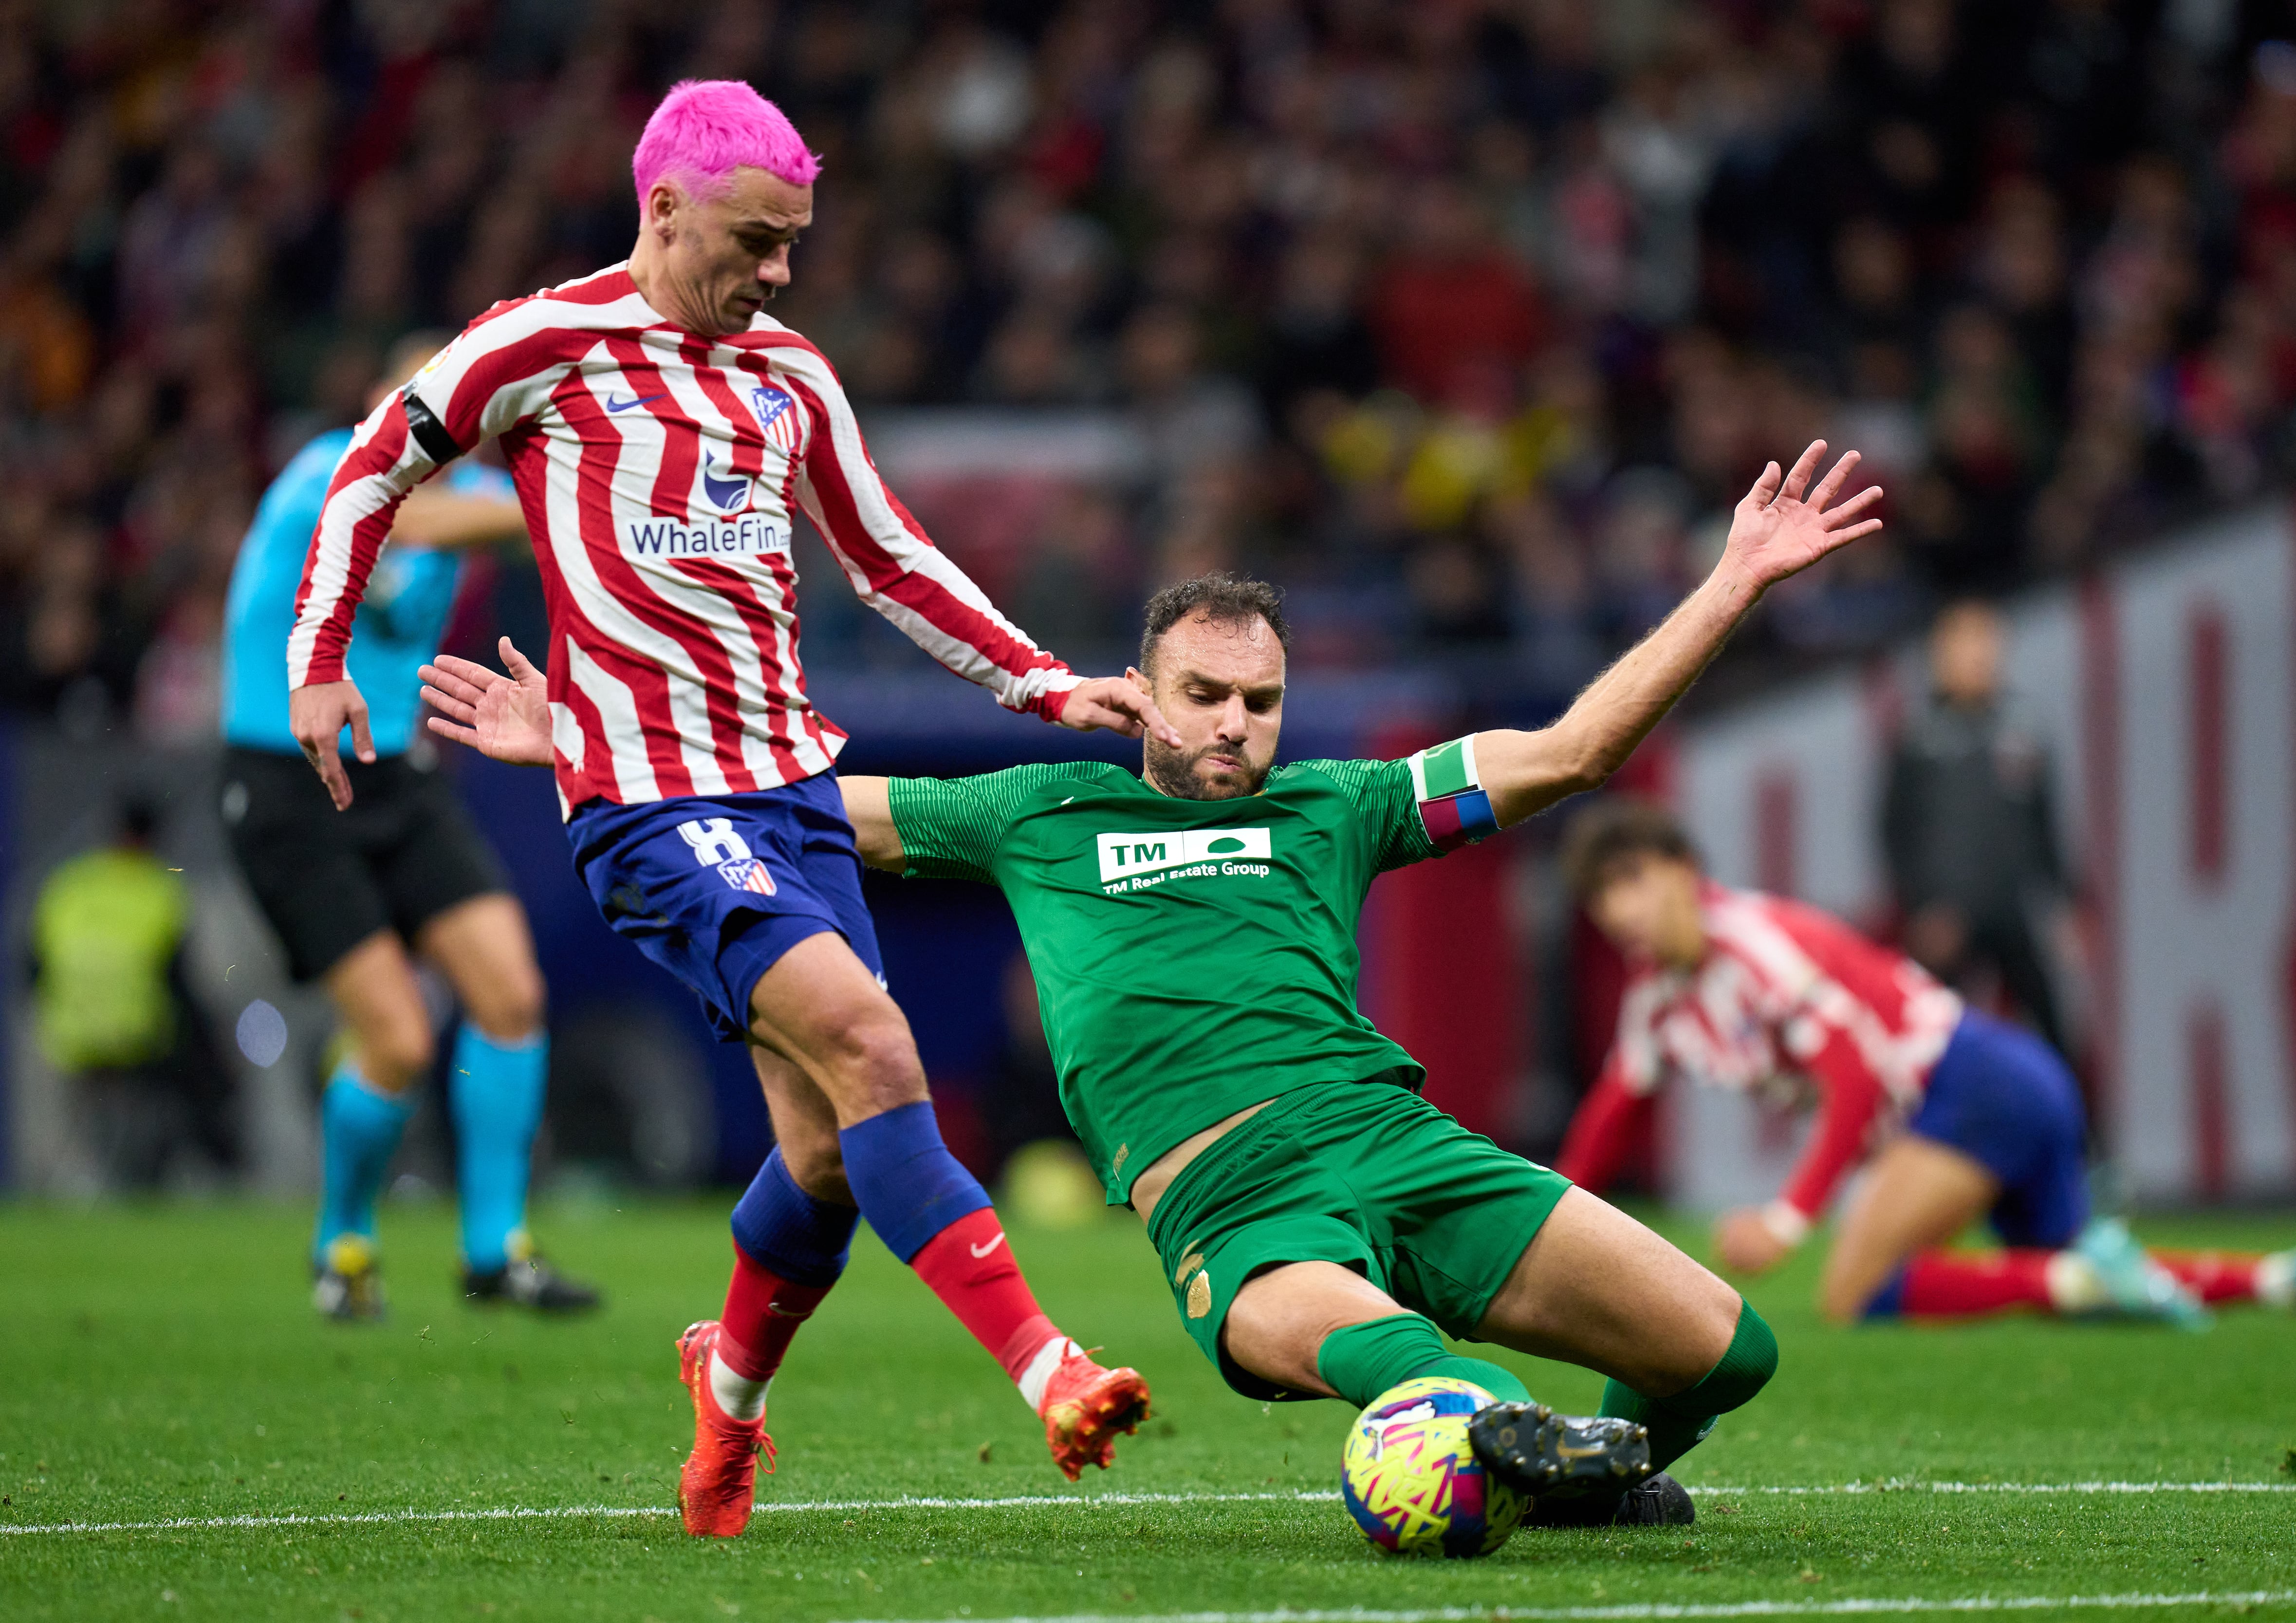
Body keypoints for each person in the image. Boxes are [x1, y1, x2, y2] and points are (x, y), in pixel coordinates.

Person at [425, 438, 1892, 1529]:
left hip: (1406, 1148)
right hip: (1240, 1209)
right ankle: (1495, 1441)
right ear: (1143, 690)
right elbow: (796, 801)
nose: (1236, 726)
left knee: (1727, 1351)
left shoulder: (1340, 805)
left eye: (1259, 700)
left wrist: (1730, 583)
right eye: (1204, 695)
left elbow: (1570, 749)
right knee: (1409, 1361)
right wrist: (584, 743)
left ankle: (1577, 1481)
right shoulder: (1040, 810)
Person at [288, 80, 1169, 1536]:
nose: (775, 272)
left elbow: (886, 558)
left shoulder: (791, 374)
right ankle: (1050, 1367)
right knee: (878, 1044)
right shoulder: (542, 344)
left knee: (823, 1151)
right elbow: (374, 461)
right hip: (646, 801)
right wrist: (316, 664)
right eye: (755, 242)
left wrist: (1042, 683)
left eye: (793, 246)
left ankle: (730, 1392)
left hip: (792, 790)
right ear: (662, 210)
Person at [1551, 800, 2296, 1333]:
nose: (1621, 908)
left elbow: (1861, 1077)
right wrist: (1544, 1221)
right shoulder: (1660, 995)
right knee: (2073, 1282)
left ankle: (2090, 1272)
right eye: (1602, 895)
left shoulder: (1754, 946)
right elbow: (1612, 1113)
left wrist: (1789, 1216)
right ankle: (2287, 1276)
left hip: (1974, 1084)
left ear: (1686, 873)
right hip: (2001, 1081)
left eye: (1634, 880)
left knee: (1854, 1287)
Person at [221, 335, 592, 1322]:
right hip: (287, 777)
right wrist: (564, 499)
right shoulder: (327, 472)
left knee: (510, 992)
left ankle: (494, 1251)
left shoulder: (452, 510)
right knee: (397, 1034)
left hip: (400, 777)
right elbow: (417, 513)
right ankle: (342, 1244)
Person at [1879, 599, 2070, 1055]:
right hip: (1947, 915)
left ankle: (2077, 1127)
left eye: (1987, 642)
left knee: (2053, 1031)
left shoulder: (2023, 728)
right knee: (1928, 1039)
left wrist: (2065, 899)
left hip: (2013, 908)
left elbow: (2045, 823)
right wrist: (1922, 908)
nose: (1979, 656)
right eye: (1965, 644)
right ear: (1938, 655)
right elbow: (1894, 832)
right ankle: (1923, 1127)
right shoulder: (1919, 738)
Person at [31, 794, 235, 1187]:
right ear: (153, 837)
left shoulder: (68, 885)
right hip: (137, 1037)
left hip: (70, 1038)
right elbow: (178, 981)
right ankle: (206, 1172)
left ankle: (73, 1183)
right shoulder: (159, 890)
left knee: (89, 1126)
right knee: (194, 1086)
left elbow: (34, 968)